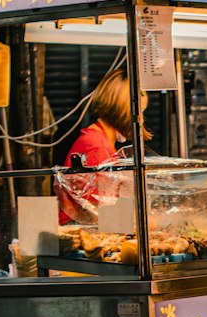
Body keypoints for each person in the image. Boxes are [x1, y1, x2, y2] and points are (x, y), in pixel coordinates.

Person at [57, 70, 147, 225]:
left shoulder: (100, 141)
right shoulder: (97, 147)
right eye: (140, 113)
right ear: (125, 111)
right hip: (80, 230)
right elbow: (99, 212)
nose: (141, 120)